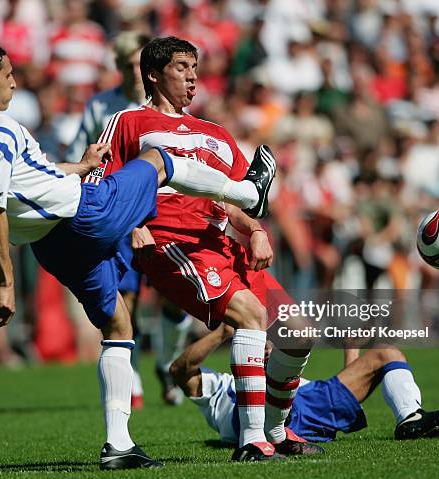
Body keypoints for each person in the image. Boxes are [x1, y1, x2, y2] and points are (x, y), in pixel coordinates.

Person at [0, 42, 275, 470]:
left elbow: (27, 180)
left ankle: (118, 445)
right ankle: (250, 191)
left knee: (118, 323)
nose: (14, 83)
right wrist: (6, 282)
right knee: (159, 159)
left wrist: (80, 166)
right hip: (84, 215)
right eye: (7, 76)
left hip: (52, 243)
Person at [94, 36, 313, 461]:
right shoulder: (128, 122)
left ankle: (276, 431)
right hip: (172, 244)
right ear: (153, 74)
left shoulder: (214, 133)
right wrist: (132, 225)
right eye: (181, 67)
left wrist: (257, 230)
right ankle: (252, 441)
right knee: (250, 316)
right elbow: (100, 184)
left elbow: (239, 196)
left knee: (297, 336)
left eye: (194, 67)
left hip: (222, 243)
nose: (192, 76)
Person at [67, 31, 190, 408]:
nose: (134, 72)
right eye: (126, 64)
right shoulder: (104, 107)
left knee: (177, 294)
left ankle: (170, 365)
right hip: (122, 209)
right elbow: (79, 153)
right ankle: (131, 374)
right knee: (128, 296)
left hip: (166, 209)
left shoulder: (171, 106)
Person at [170, 324, 439, 444]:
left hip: (306, 398)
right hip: (247, 414)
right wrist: (224, 331)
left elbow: (343, 401)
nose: (265, 345)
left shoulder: (292, 375)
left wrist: (351, 348)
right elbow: (180, 370)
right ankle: (267, 433)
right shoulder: (219, 386)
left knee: (388, 353)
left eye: (267, 342)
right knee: (281, 372)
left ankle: (410, 418)